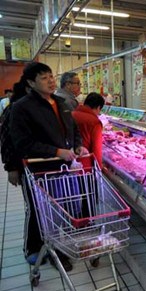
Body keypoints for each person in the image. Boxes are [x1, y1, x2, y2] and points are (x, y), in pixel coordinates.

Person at [9, 62, 89, 271]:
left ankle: (60, 249)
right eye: (44, 78)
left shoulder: (61, 102)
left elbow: (73, 129)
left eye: (51, 76)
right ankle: (33, 248)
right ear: (31, 82)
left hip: (64, 168)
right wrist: (56, 151)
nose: (51, 80)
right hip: (39, 170)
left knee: (64, 209)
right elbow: (22, 143)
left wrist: (78, 146)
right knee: (39, 211)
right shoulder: (21, 107)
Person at [72, 92, 105, 168]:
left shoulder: (71, 114)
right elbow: (96, 149)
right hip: (85, 164)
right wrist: (99, 167)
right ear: (98, 107)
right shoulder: (95, 122)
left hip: (70, 162)